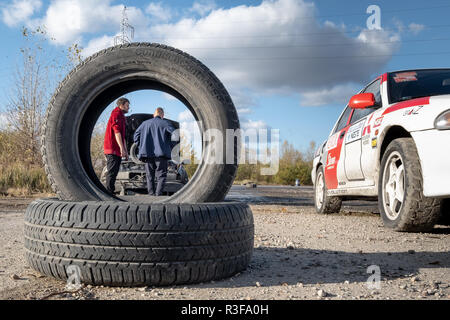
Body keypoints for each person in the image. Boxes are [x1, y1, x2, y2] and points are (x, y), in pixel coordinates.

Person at [134, 107, 175, 196]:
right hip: (161, 155)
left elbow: (136, 136)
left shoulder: (144, 124)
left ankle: (151, 194)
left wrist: (141, 147)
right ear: (162, 115)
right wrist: (170, 146)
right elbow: (175, 135)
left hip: (147, 155)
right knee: (161, 176)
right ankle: (158, 195)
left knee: (149, 176)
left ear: (154, 115)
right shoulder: (165, 123)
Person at [103, 97, 130, 194]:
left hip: (117, 149)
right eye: (127, 105)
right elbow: (116, 132)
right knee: (111, 172)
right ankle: (109, 193)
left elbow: (123, 137)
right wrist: (121, 148)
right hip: (112, 148)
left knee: (114, 172)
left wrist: (126, 152)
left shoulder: (122, 116)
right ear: (121, 105)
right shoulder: (116, 113)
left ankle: (110, 191)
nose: (128, 108)